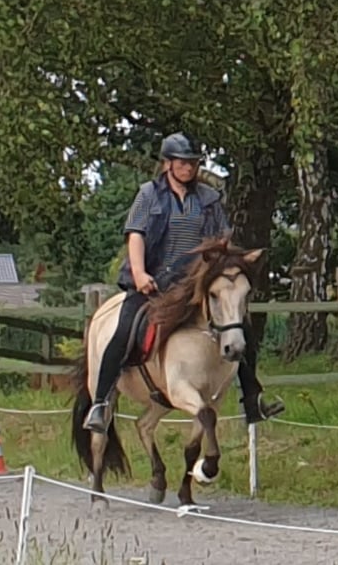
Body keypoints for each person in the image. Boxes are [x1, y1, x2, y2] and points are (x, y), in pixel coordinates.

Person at [83, 132, 285, 433]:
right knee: (123, 328)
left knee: (240, 327)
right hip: (152, 281)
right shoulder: (148, 195)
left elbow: (220, 240)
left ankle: (253, 399)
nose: (189, 168)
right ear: (168, 164)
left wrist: (231, 263)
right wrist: (139, 274)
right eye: (183, 163)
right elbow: (135, 234)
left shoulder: (208, 198)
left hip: (194, 282)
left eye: (192, 163)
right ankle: (100, 402)